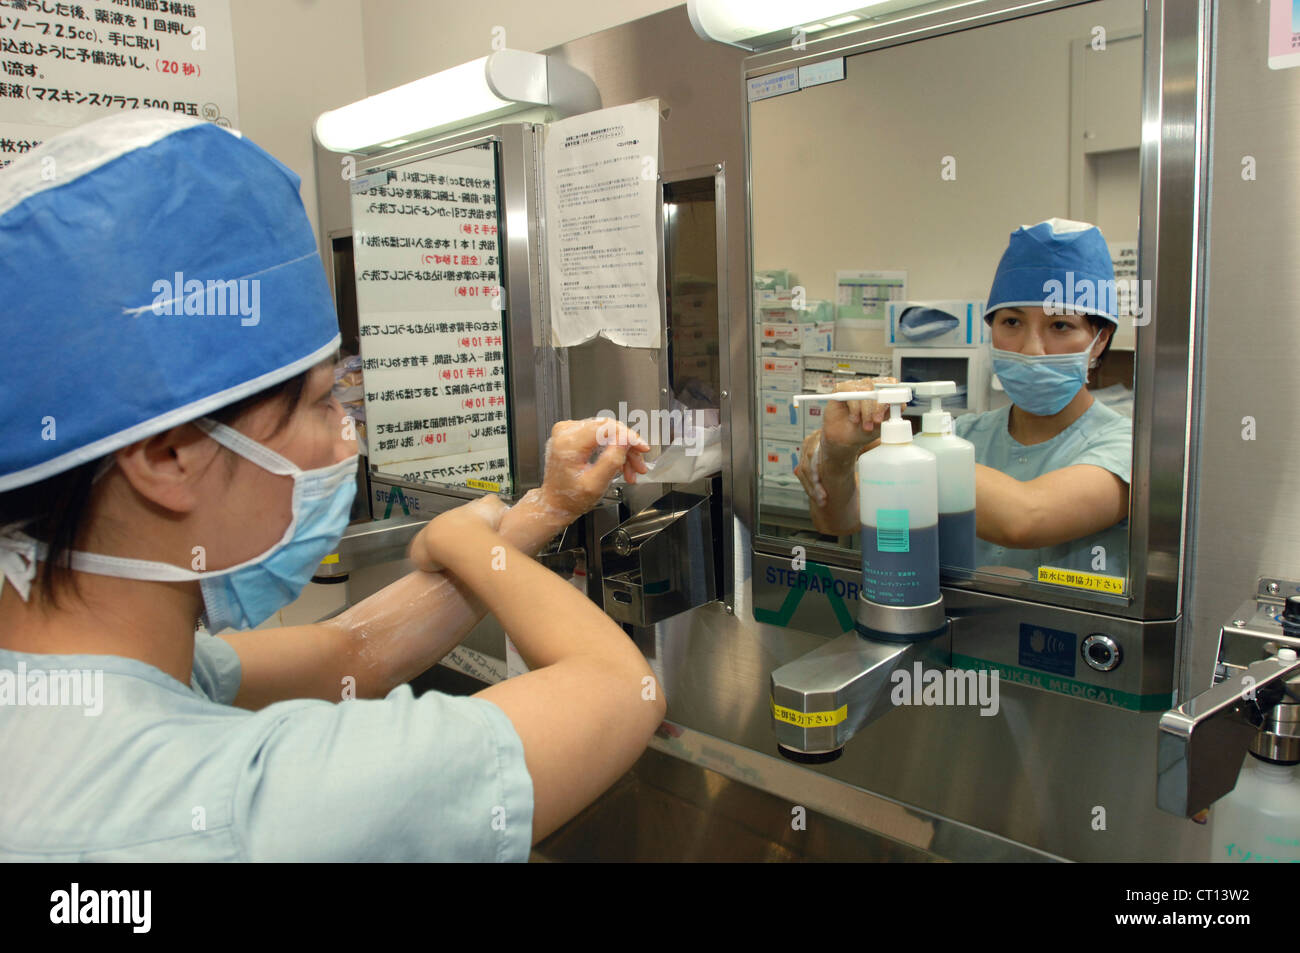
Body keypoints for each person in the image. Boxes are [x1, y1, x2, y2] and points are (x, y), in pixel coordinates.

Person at [0, 111, 661, 861]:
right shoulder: (250, 806)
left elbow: (353, 653)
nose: (349, 435)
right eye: (320, 404)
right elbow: (618, 689)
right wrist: (458, 540)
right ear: (168, 456)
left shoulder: (65, 688)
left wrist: (544, 510)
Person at [795, 218, 1132, 580]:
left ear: (1100, 339)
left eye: (1060, 325)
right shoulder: (965, 434)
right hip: (961, 634)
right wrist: (838, 456)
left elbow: (1026, 518)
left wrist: (894, 449)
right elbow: (839, 519)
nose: (1032, 350)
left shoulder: (1125, 447)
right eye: (1012, 323)